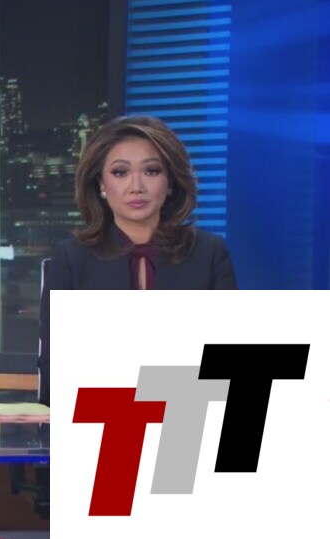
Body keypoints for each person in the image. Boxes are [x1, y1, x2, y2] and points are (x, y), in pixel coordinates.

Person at [38, 115, 238, 406]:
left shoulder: (209, 254)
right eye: (120, 172)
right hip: (101, 417)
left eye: (151, 171)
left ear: (170, 182)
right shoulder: (72, 258)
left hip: (188, 416)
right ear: (101, 185)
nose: (136, 186)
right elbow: (55, 367)